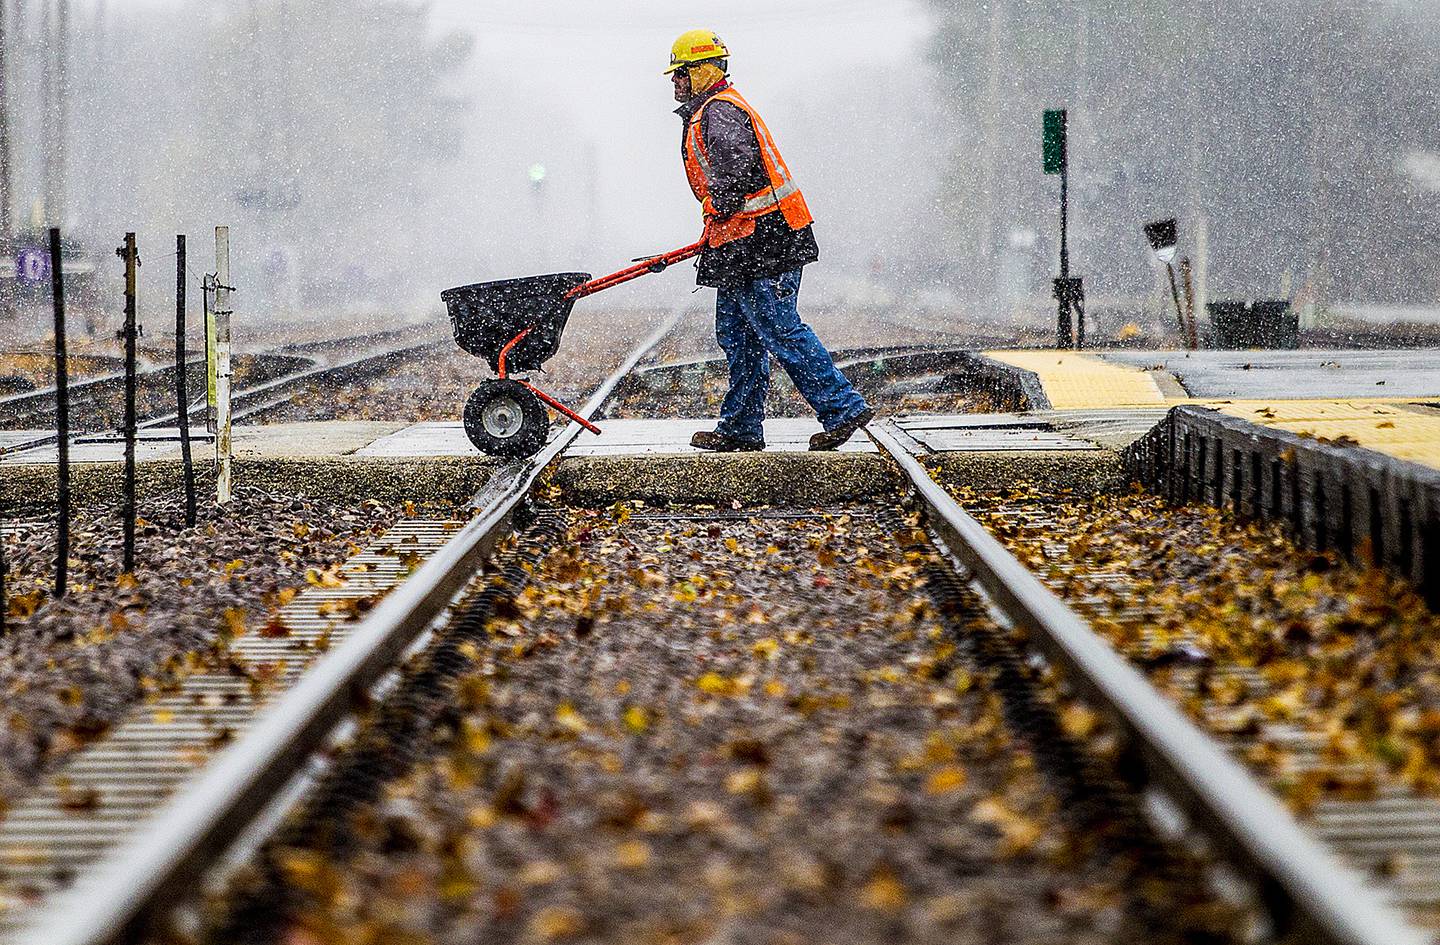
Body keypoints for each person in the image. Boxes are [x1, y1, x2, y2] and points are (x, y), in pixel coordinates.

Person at [667, 29, 874, 452]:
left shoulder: (719, 112)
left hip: (767, 240)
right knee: (739, 336)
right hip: (741, 244)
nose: (674, 83)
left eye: (680, 74)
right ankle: (741, 427)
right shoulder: (710, 110)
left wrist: (721, 203)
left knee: (779, 328)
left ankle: (843, 408)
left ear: (702, 71)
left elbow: (737, 165)